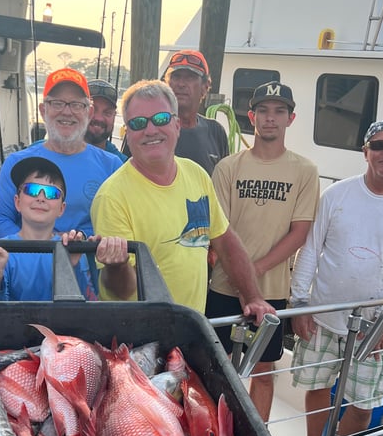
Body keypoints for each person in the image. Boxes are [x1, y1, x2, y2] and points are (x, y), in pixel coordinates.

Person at [290, 118, 383, 436]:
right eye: (378, 145)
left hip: (374, 323)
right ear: (365, 151)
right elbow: (310, 250)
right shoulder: (336, 194)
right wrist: (299, 303)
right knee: (316, 387)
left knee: (364, 403)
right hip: (324, 315)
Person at [90, 79, 274, 323]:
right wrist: (116, 265)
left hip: (192, 330)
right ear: (128, 134)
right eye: (138, 123)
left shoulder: (196, 174)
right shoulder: (111, 197)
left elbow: (225, 241)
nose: (151, 129)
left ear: (177, 125)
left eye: (161, 119)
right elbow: (121, 292)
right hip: (139, 342)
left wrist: (253, 297)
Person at [206, 82, 320, 420]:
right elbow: (218, 232)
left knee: (264, 370)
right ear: (252, 117)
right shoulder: (228, 167)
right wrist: (242, 277)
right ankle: (216, 434)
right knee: (217, 364)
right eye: (264, 111)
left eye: (279, 111)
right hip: (223, 286)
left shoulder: (304, 171)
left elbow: (300, 233)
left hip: (271, 290)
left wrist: (252, 272)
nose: (271, 118)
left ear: (291, 118)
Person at [0, 68, 124, 239]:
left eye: (76, 105)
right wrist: (48, 241)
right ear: (43, 110)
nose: (67, 112)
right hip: (28, 264)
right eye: (57, 103)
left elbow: (118, 227)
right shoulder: (17, 162)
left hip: (89, 264)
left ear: (88, 113)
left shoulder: (112, 166)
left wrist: (81, 238)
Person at [0, 156, 125, 300]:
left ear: (61, 209)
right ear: (17, 202)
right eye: (31, 190)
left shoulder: (72, 250)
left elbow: (87, 306)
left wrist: (73, 267)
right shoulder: (2, 253)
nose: (41, 198)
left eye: (52, 193)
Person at [163, 49, 229, 175]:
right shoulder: (149, 127)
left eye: (190, 77)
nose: (181, 84)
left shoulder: (216, 132)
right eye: (176, 76)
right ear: (167, 83)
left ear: (205, 87)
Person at [86, 79, 126, 161]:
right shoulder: (55, 152)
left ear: (114, 116)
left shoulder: (121, 165)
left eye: (107, 113)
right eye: (92, 109)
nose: (99, 118)